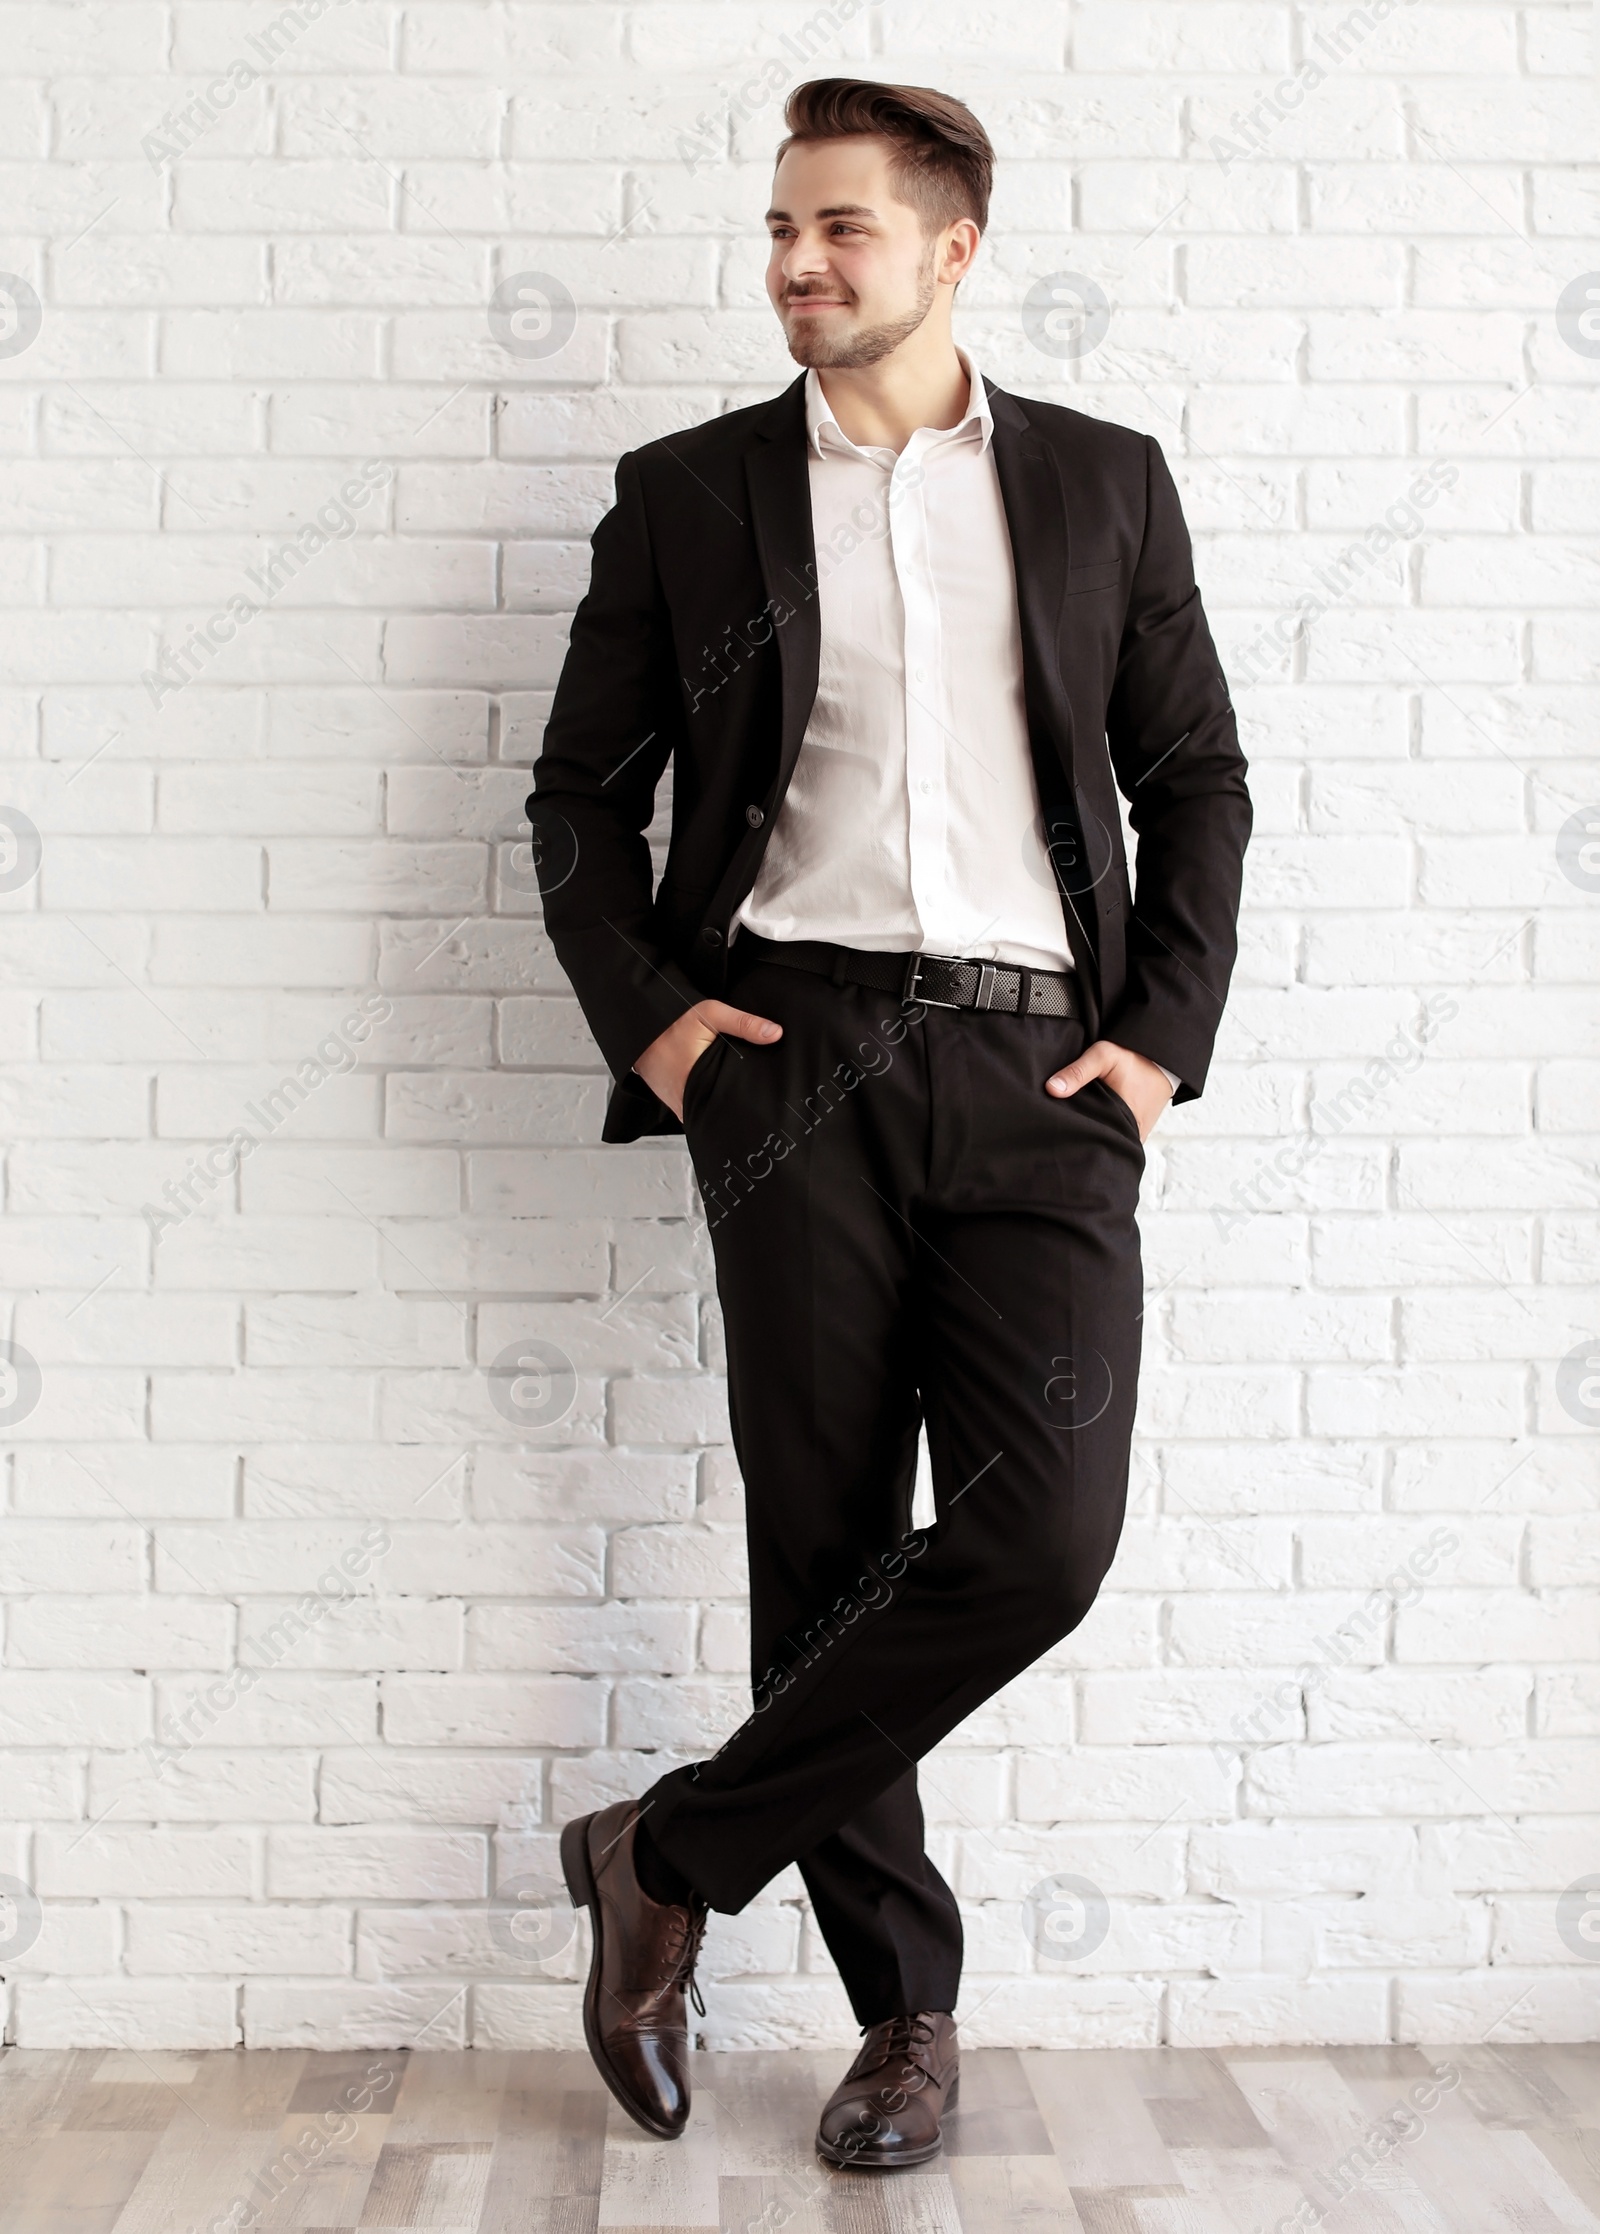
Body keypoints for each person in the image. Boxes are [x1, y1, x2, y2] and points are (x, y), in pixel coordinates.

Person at [529, 76, 1250, 2170]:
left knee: (1040, 1537)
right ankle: (900, 2026)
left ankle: (659, 1848)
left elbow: (1192, 772)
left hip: (1040, 1074)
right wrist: (667, 1037)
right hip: (790, 1060)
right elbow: (576, 801)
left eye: (838, 229)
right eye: (776, 229)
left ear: (950, 250)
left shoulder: (1101, 486)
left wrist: (1155, 1038)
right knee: (828, 1555)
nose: (794, 265)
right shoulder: (685, 496)